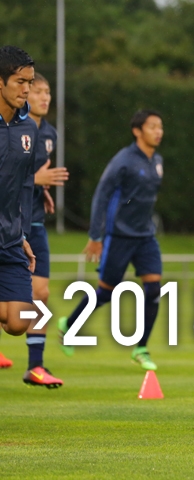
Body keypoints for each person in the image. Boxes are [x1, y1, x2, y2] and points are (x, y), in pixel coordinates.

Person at [57, 110, 165, 370]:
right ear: (137, 131)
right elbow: (101, 196)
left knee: (153, 289)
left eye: (160, 127)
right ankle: (69, 325)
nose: (158, 131)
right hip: (118, 236)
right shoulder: (123, 161)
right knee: (104, 293)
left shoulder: (157, 160)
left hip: (145, 237)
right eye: (152, 127)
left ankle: (141, 348)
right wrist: (96, 236)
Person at [21, 73, 69, 388]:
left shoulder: (49, 133)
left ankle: (35, 366)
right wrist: (35, 181)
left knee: (41, 293)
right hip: (9, 223)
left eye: (48, 92)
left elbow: (36, 172)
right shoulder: (12, 126)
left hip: (35, 221)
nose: (45, 97)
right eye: (38, 91)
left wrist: (43, 191)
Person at [0, 45, 38, 351]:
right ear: (0, 82)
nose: (27, 90)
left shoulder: (29, 127)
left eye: (30, 82)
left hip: (10, 237)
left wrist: (22, 232)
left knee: (18, 320)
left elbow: (26, 182)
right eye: (19, 82)